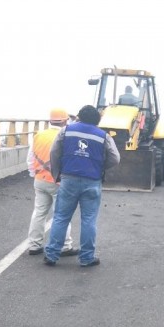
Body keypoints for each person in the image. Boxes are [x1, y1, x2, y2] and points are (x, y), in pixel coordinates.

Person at [43, 105, 120, 267]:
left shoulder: (66, 131)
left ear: (79, 116)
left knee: (61, 217)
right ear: (97, 120)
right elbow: (115, 158)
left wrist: (57, 173)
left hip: (69, 179)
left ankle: (51, 255)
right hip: (92, 181)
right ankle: (86, 258)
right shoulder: (103, 136)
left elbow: (54, 153)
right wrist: (99, 167)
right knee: (88, 220)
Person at [25, 108, 78, 256]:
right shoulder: (65, 135)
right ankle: (65, 246)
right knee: (61, 215)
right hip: (58, 182)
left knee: (39, 213)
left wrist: (34, 174)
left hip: (39, 180)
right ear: (64, 120)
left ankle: (34, 245)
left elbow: (30, 158)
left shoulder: (39, 135)